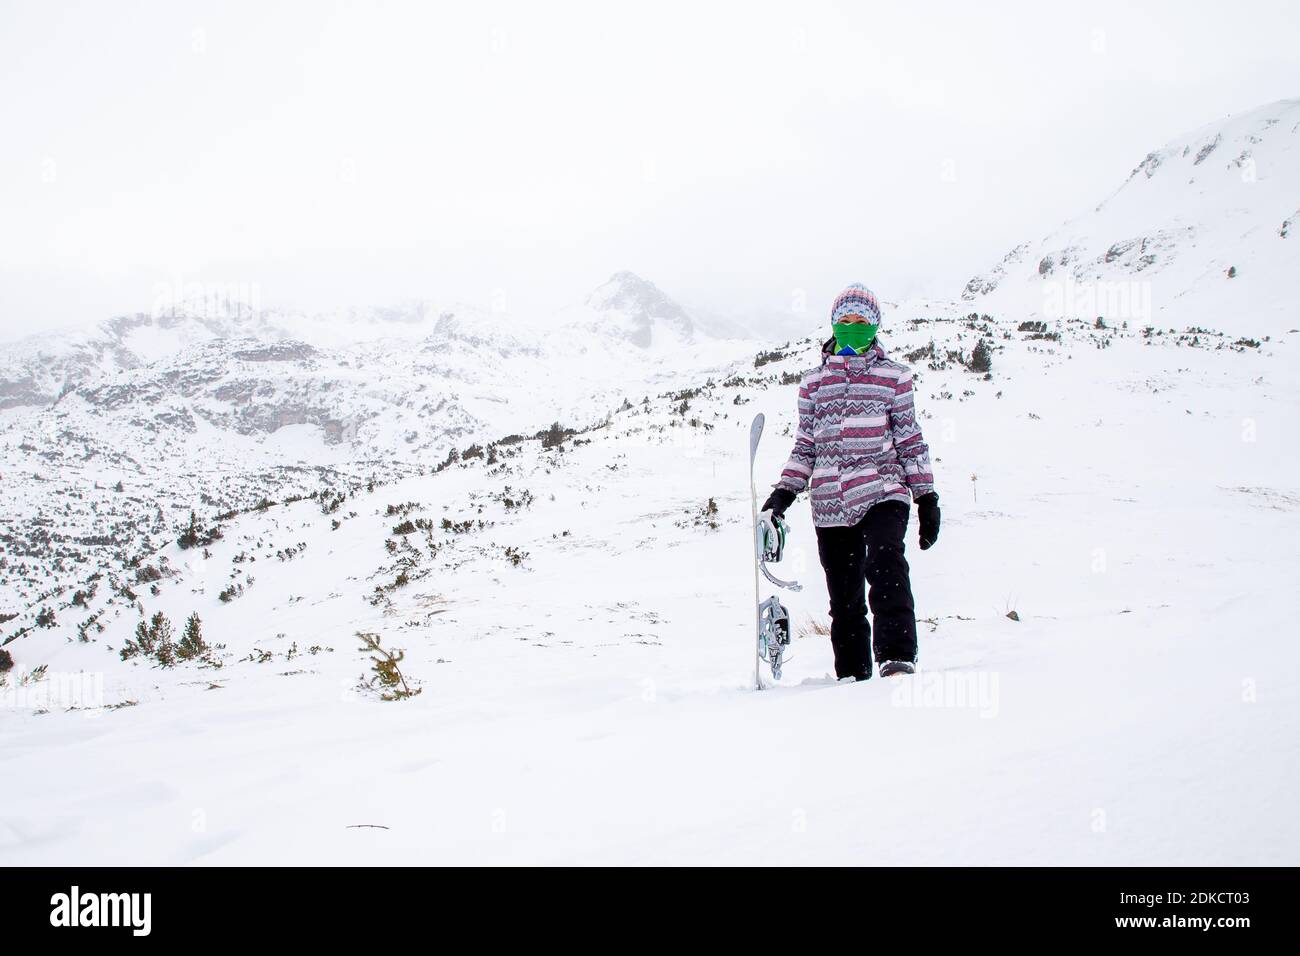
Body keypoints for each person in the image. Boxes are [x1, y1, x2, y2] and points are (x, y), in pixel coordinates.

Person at [761, 283, 940, 681]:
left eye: (861, 321)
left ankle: (896, 658)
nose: (852, 326)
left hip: (883, 489)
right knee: (843, 600)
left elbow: (910, 439)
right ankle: (853, 677)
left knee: (885, 562)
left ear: (875, 326)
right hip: (829, 502)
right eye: (845, 320)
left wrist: (926, 496)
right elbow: (806, 446)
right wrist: (782, 494)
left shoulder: (894, 378)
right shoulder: (813, 384)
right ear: (833, 324)